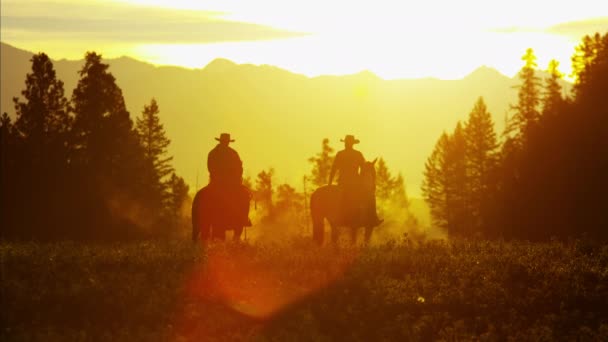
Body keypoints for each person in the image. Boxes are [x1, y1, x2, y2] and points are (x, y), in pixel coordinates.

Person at [329, 135, 381, 226]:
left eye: (347, 142)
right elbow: (364, 168)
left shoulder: (340, 154)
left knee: (368, 196)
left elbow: (334, 169)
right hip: (354, 184)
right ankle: (373, 218)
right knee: (370, 197)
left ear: (350, 143)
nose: (346, 144)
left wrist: (330, 183)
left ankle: (339, 219)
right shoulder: (358, 154)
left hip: (343, 182)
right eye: (346, 142)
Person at [207, 133, 251, 226]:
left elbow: (210, 167)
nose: (226, 143)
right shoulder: (233, 153)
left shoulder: (212, 153)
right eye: (225, 142)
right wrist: (236, 178)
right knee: (245, 196)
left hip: (215, 182)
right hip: (231, 184)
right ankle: (244, 219)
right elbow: (239, 168)